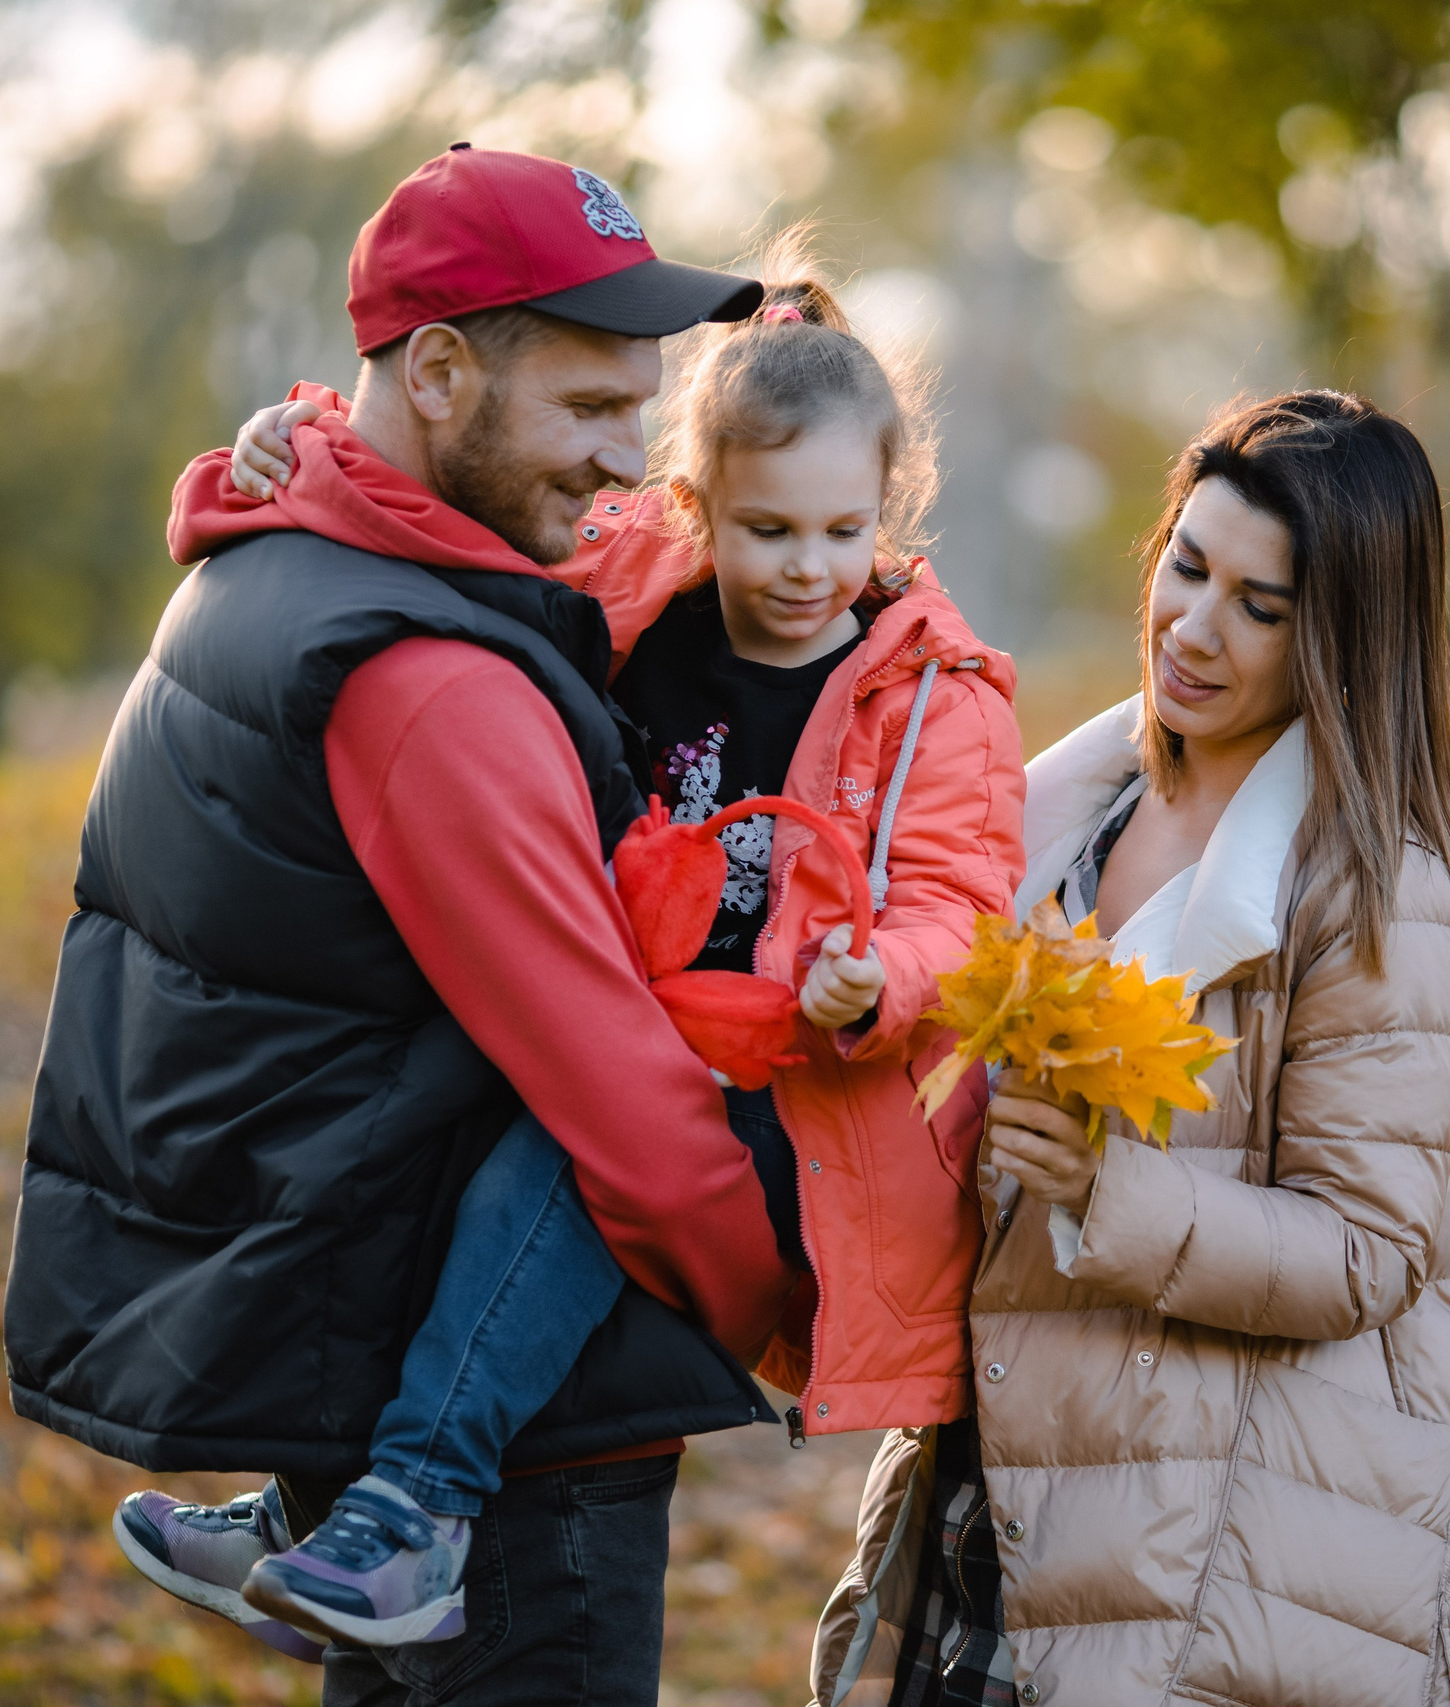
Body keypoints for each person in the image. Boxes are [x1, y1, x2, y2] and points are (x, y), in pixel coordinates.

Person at [130, 236, 1026, 1662]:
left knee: (567, 1154)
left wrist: (880, 983)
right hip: (635, 1013)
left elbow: (964, 909)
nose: (807, 570)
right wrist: (288, 449)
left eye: (844, 533)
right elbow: (444, 503)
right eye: (767, 531)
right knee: (432, 1106)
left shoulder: (938, 698)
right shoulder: (630, 588)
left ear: (890, 510)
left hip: (792, 1085)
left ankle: (415, 1506)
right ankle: (329, 1508)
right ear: (694, 503)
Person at [2, 146, 802, 1705]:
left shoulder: (274, 563)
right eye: (586, 409)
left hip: (384, 1424)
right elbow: (622, 1104)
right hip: (514, 1461)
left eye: (637, 407)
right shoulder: (431, 685)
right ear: (437, 372)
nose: (626, 459)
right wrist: (782, 1298)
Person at [808, 391, 1450, 1706]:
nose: (1193, 630)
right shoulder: (1067, 806)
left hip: (1231, 1552)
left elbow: (1370, 1248)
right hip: (1011, 1481)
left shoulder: (1373, 889)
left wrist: (1108, 1192)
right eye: (1188, 568)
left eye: (1262, 606)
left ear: (1345, 637)